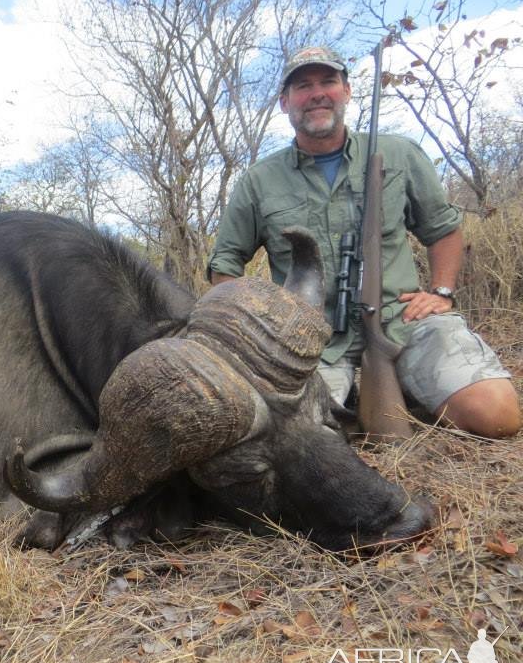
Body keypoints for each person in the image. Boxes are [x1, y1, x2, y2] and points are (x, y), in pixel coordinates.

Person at [207, 46, 520, 439]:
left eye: (328, 82)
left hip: (403, 320)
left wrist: (441, 291)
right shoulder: (258, 180)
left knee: (497, 415)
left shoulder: (399, 153)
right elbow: (225, 265)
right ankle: (359, 402)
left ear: (347, 91)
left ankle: (405, 388)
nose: (318, 93)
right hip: (308, 340)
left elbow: (442, 230)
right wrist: (260, 325)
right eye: (304, 86)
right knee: (295, 441)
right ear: (285, 102)